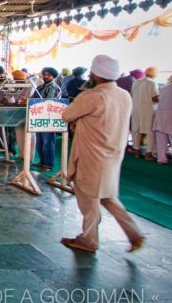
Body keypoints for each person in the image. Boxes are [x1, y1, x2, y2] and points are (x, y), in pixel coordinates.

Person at [60, 54, 144, 253]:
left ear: (95, 75)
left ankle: (89, 239)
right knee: (108, 196)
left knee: (88, 199)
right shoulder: (124, 95)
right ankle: (134, 233)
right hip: (113, 153)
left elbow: (67, 115)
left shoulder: (92, 96)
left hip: (92, 154)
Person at [33, 67, 61, 171]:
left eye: (48, 75)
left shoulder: (54, 88)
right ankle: (42, 161)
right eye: (44, 74)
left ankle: (48, 164)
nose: (45, 76)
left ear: (53, 76)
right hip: (38, 117)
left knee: (48, 142)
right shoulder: (40, 87)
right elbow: (33, 98)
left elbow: (48, 102)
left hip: (49, 118)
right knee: (40, 141)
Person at [130, 67, 159, 159]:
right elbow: (154, 98)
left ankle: (137, 152)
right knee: (149, 131)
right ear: (154, 74)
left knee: (136, 130)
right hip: (148, 109)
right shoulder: (152, 82)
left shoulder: (136, 82)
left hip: (135, 109)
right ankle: (148, 154)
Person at [153, 75, 172, 165]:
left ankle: (161, 159)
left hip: (161, 114)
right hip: (170, 114)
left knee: (161, 138)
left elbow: (157, 99)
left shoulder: (164, 88)